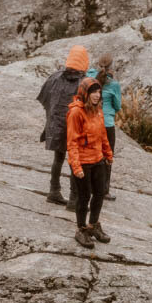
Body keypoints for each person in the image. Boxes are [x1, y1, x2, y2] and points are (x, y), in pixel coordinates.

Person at [37, 45, 89, 206]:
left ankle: (54, 190)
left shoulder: (54, 77)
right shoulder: (85, 83)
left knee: (58, 158)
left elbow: (44, 98)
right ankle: (74, 199)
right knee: (76, 161)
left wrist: (52, 116)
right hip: (76, 128)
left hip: (56, 125)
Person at [67, 76, 113, 248]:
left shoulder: (98, 111)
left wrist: (108, 154)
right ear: (85, 93)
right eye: (93, 92)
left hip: (97, 159)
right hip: (83, 162)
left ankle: (93, 225)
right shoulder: (76, 112)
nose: (97, 95)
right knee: (84, 196)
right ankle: (81, 229)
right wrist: (76, 166)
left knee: (99, 193)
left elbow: (102, 136)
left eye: (99, 92)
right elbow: (71, 142)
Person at [88, 53, 122, 200]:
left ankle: (89, 186)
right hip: (107, 124)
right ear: (111, 67)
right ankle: (103, 190)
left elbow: (89, 72)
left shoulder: (90, 77)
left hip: (92, 121)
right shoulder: (113, 85)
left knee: (92, 154)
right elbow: (118, 106)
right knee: (107, 156)